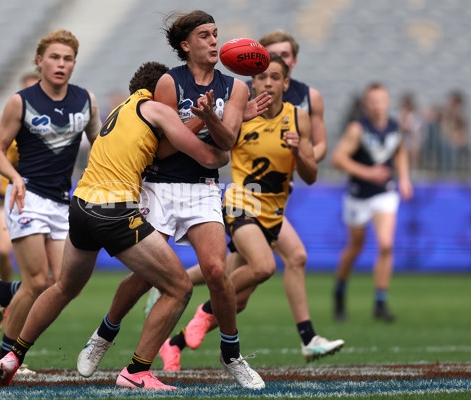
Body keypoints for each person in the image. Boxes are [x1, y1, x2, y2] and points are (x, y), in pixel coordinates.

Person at [0, 61, 230, 390]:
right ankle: (137, 371)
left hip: (81, 204)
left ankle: (12, 357)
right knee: (179, 288)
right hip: (114, 209)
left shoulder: (123, 109)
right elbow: (207, 156)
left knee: (63, 287)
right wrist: (217, 138)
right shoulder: (158, 109)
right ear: (161, 90)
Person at [74, 10, 266, 390]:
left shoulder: (237, 89)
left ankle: (232, 353)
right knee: (147, 274)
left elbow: (227, 144)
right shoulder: (168, 82)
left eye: (216, 34)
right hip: (159, 186)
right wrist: (200, 120)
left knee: (215, 270)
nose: (214, 41)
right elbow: (160, 151)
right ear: (185, 45)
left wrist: (212, 116)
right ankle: (104, 334)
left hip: (202, 188)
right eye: (205, 36)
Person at [153, 29, 344, 364]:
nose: (267, 83)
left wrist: (300, 154)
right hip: (242, 200)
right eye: (261, 77)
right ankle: (205, 310)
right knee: (265, 265)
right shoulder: (239, 116)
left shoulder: (298, 118)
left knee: (237, 298)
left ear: (287, 84)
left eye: (275, 78)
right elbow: (220, 142)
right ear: (251, 83)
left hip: (274, 209)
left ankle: (175, 341)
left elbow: (311, 176)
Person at [0, 29, 102, 374]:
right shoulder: (20, 101)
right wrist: (15, 176)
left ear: (74, 64)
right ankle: (8, 358)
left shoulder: (86, 101)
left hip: (62, 202)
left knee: (62, 285)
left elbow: (100, 144)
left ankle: (5, 292)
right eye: (54, 57)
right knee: (38, 281)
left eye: (67, 59)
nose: (61, 64)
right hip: (27, 197)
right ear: (40, 61)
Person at [332, 83, 413, 322]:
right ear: (366, 104)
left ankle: (380, 302)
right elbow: (338, 158)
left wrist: (405, 178)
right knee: (355, 247)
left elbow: (399, 151)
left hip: (385, 193)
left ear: (388, 102)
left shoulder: (395, 127)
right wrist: (368, 173)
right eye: (373, 101)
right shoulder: (358, 129)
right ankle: (339, 291)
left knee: (386, 244)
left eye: (382, 100)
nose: (378, 106)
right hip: (358, 196)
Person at [0, 72, 40, 342]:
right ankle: (5, 294)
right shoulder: (13, 119)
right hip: (9, 197)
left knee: (47, 279)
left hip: (41, 199)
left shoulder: (50, 123)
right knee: (5, 252)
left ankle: (5, 292)